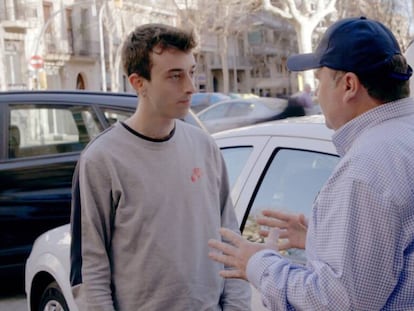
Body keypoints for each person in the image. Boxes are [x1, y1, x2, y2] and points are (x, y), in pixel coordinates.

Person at [208, 16, 414, 310]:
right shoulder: (402, 139)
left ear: (349, 85)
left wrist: (257, 263)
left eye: (319, 80)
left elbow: (338, 302)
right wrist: (316, 240)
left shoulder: (364, 168)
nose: (316, 94)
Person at [70, 23, 251, 311]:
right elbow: (90, 268)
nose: (190, 87)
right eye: (175, 76)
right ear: (138, 83)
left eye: (191, 72)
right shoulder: (101, 160)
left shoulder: (205, 147)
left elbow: (230, 239)